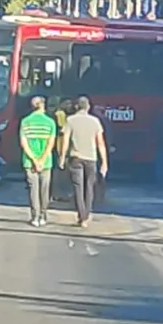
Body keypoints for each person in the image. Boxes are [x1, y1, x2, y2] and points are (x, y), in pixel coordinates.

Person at [61, 97, 109, 227]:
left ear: (76, 107)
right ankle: (86, 216)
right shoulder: (95, 121)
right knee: (89, 187)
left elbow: (65, 140)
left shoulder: (70, 120)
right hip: (91, 158)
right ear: (88, 107)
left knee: (78, 187)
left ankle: (81, 215)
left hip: (75, 157)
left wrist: (62, 157)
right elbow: (101, 143)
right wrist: (104, 162)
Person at [19, 96, 57, 228]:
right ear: (42, 105)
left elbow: (24, 143)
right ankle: (43, 215)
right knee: (44, 190)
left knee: (33, 190)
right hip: (46, 162)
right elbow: (50, 144)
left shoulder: (25, 122)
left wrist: (34, 160)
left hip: (29, 162)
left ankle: (35, 216)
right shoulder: (50, 122)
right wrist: (41, 160)